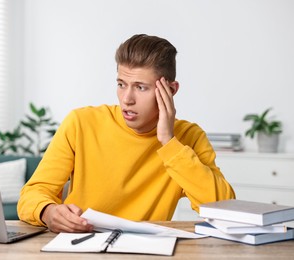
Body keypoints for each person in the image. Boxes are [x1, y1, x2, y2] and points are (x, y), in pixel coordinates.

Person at [17, 34, 235, 233]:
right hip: (80, 245)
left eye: (141, 87)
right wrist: (48, 212)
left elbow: (224, 208)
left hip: (145, 252)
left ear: (171, 90)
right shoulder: (81, 123)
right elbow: (32, 194)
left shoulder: (189, 137)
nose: (127, 99)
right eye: (122, 84)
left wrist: (169, 143)